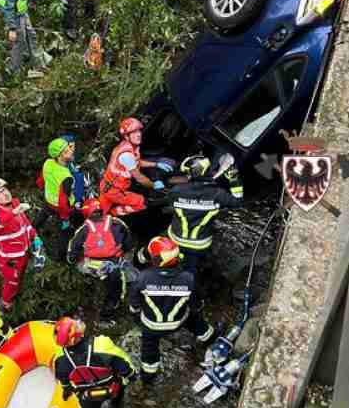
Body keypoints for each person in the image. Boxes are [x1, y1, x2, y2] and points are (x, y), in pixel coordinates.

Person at [129, 236, 215, 384]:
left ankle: (148, 377)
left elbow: (134, 305)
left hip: (151, 326)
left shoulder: (143, 278)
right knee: (197, 322)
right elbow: (196, 306)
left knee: (149, 350)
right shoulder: (188, 278)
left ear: (156, 260)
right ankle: (211, 340)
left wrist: (138, 318)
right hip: (179, 322)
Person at [52, 317, 136, 408]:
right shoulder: (102, 345)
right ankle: (117, 407)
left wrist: (67, 390)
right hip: (112, 386)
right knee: (117, 397)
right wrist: (131, 376)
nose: (79, 323)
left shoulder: (61, 360)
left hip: (89, 396)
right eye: (77, 325)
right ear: (78, 335)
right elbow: (123, 365)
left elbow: (64, 381)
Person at [165, 154, 243, 273]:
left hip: (175, 240)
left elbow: (172, 200)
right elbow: (238, 201)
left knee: (171, 263)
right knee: (191, 268)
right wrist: (234, 180)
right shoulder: (218, 194)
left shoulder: (176, 191)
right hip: (199, 245)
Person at [67, 198, 133, 319]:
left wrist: (71, 259)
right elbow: (128, 242)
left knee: (82, 265)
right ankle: (113, 304)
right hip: (115, 261)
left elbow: (73, 248)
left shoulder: (84, 229)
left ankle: (94, 284)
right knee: (118, 274)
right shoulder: (116, 223)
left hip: (91, 264)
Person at [0, 177, 45, 310]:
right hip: (10, 259)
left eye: (4, 189)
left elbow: (26, 224)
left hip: (23, 252)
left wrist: (35, 237)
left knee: (20, 276)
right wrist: (13, 212)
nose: (4, 194)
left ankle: (14, 292)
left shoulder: (15, 204)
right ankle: (6, 303)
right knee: (11, 282)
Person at [99, 117, 173, 216]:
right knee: (142, 203)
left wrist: (156, 164)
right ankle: (113, 213)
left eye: (139, 131)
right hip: (115, 191)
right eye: (134, 132)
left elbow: (137, 162)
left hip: (107, 187)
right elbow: (140, 178)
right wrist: (154, 185)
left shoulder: (128, 146)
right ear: (126, 136)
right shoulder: (126, 155)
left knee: (101, 214)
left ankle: (109, 213)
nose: (138, 134)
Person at [35, 136, 81, 259]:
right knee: (64, 233)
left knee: (42, 215)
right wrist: (65, 218)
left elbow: (41, 180)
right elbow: (63, 201)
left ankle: (34, 229)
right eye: (66, 151)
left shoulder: (48, 163)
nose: (71, 152)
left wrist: (44, 189)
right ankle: (60, 256)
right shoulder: (66, 176)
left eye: (69, 148)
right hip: (61, 208)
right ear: (59, 156)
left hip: (48, 200)